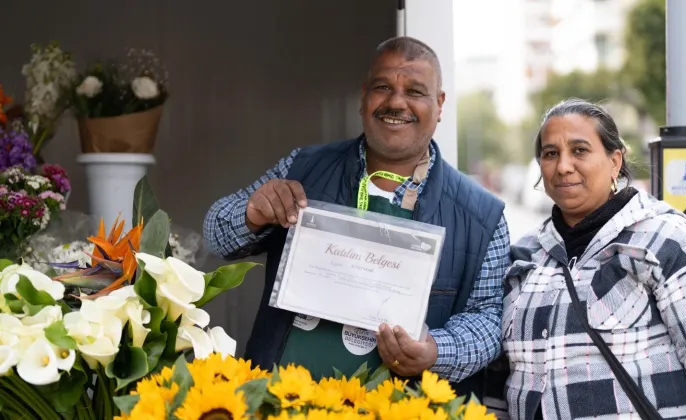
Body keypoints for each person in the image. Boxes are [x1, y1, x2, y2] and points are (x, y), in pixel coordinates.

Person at [203, 36, 510, 397]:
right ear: (364, 96)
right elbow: (215, 233)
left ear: (439, 104)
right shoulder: (302, 168)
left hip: (405, 407)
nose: (396, 102)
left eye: (415, 90)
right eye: (383, 87)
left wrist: (435, 350)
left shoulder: (482, 216)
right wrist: (253, 212)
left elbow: (490, 320)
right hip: (280, 401)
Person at [501, 98, 686, 419]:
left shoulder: (662, 237)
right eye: (550, 153)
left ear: (615, 161)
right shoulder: (525, 256)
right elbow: (501, 376)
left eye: (580, 150)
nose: (563, 166)